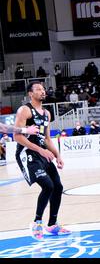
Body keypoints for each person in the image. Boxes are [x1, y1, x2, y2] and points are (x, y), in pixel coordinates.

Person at [14, 81, 70, 240]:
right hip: (28, 153)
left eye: (43, 89)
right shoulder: (25, 110)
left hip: (42, 152)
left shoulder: (46, 113)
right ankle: (37, 222)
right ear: (30, 93)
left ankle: (52, 224)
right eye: (38, 89)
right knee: (48, 185)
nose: (42, 91)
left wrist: (57, 156)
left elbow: (46, 138)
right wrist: (40, 150)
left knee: (58, 186)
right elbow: (17, 136)